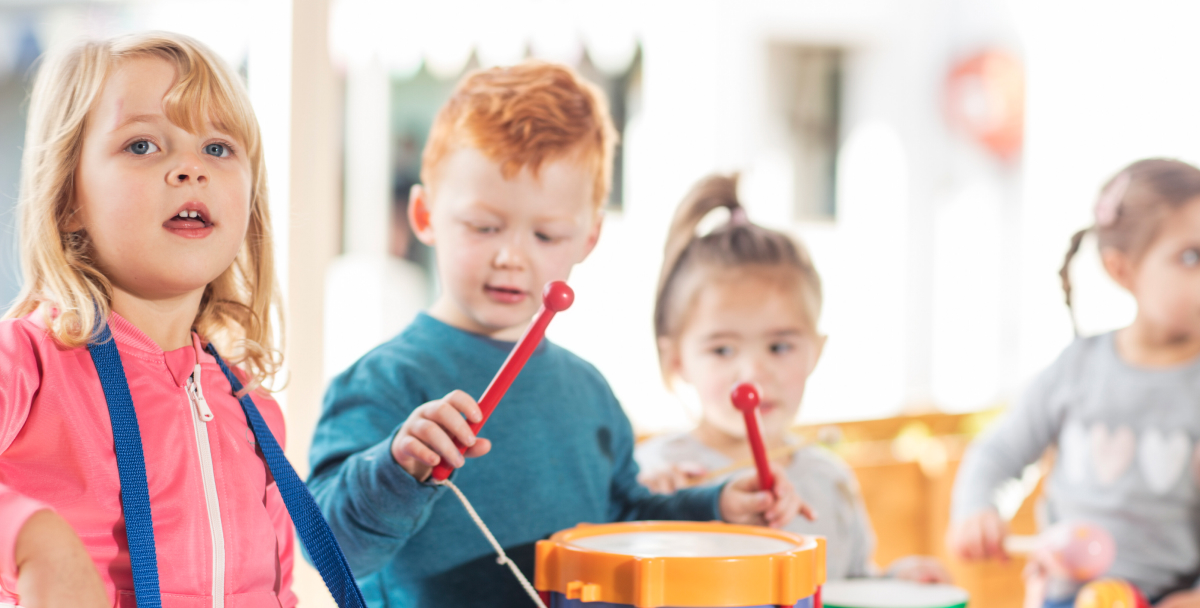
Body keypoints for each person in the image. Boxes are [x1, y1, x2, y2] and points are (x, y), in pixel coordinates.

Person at [307, 62, 807, 608]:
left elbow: (624, 527)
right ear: (425, 214)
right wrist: (398, 467)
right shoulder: (383, 381)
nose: (512, 256)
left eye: (546, 234)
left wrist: (715, 508)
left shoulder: (588, 390)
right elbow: (332, 550)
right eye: (483, 226)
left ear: (588, 238)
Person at [0, 32, 298, 606]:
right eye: (142, 145)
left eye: (217, 148)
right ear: (68, 200)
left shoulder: (253, 409)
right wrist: (35, 539)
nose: (190, 168)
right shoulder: (26, 363)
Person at [636, 174, 950, 583]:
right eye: (722, 350)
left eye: (779, 347)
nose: (752, 374)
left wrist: (891, 584)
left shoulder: (830, 480)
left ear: (815, 351)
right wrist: (648, 513)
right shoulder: (656, 475)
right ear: (677, 360)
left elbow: (843, 585)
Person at [948, 159, 1200, 606]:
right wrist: (978, 510)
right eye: (1190, 256)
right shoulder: (1077, 369)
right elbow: (998, 452)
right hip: (1063, 597)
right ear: (1122, 270)